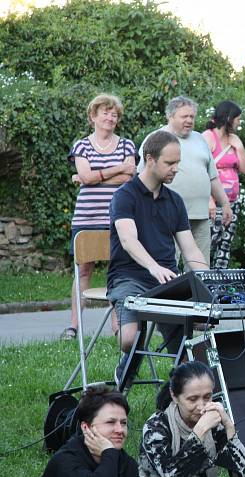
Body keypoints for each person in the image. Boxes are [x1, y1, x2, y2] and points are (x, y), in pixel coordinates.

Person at [108, 131, 209, 380]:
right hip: (129, 277)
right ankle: (126, 353)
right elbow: (128, 240)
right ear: (150, 159)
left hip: (166, 281)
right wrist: (153, 267)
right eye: (170, 163)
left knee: (187, 351)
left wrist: (209, 279)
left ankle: (182, 394)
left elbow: (190, 249)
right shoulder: (125, 195)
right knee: (130, 339)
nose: (176, 169)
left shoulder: (174, 201)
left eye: (178, 163)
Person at [61, 94, 136, 341]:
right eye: (105, 112)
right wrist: (114, 170)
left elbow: (129, 178)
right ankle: (74, 327)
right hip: (86, 218)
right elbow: (87, 176)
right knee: (83, 272)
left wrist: (93, 175)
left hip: (119, 218)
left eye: (114, 114)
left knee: (118, 270)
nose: (110, 117)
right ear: (94, 116)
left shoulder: (126, 144)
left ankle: (118, 326)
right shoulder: (82, 145)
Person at [13, 386, 137, 477]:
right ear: (86, 427)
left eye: (123, 423)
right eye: (110, 422)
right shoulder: (66, 460)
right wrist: (108, 453)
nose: (120, 430)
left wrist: (110, 455)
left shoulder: (128, 466)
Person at [138, 96, 232, 265]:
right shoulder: (156, 139)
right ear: (170, 116)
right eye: (184, 116)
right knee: (167, 265)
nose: (189, 120)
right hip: (165, 214)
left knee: (201, 267)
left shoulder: (200, 139)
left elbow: (213, 177)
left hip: (200, 216)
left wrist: (225, 204)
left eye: (192, 117)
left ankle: (197, 293)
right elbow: (142, 179)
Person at [202, 100, 245, 268]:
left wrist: (239, 148)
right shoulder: (208, 137)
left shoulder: (234, 139)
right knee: (208, 244)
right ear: (229, 118)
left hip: (231, 203)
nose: (239, 122)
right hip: (212, 202)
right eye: (237, 119)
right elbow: (200, 170)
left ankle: (218, 284)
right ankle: (201, 281)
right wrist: (208, 198)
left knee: (224, 247)